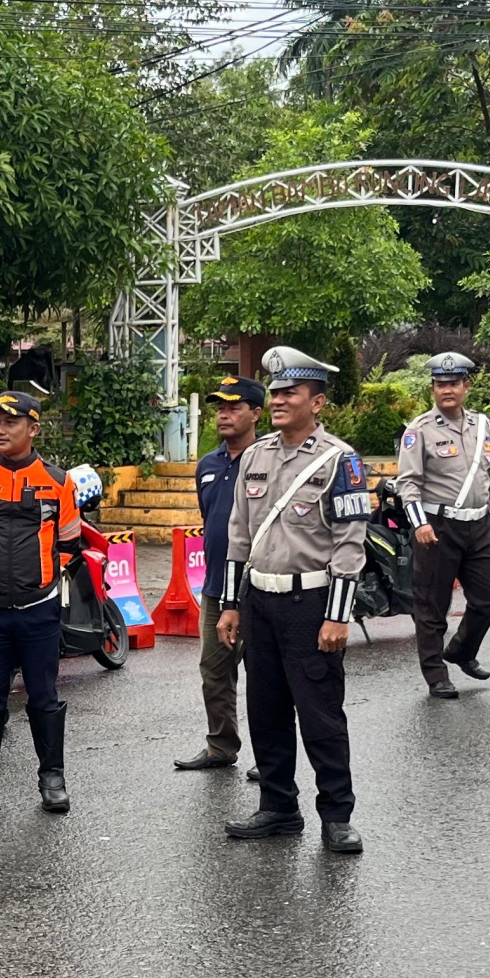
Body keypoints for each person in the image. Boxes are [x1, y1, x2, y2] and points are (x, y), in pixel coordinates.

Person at [215, 351, 373, 854]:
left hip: (312, 603)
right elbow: (238, 535)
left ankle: (337, 815)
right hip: (259, 600)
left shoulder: (339, 460)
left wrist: (338, 615)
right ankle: (279, 806)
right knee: (266, 710)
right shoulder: (256, 457)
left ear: (317, 401)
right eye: (275, 392)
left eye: (290, 393)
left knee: (321, 715)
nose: (279, 400)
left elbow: (351, 542)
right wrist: (230, 604)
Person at [0, 387, 83, 818]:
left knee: (44, 696)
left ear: (33, 428)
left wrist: (40, 581)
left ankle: (52, 778)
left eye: (9, 422)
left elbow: (69, 545)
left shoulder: (59, 482)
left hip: (38, 611)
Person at [394, 351, 490, 700]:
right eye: (440, 384)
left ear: (466, 387)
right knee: (432, 605)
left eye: (454, 384)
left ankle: (461, 650)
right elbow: (408, 482)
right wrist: (419, 524)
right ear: (432, 389)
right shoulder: (419, 431)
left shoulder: (482, 425)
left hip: (479, 525)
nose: (447, 390)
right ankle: (436, 675)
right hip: (438, 526)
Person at [174, 376, 265, 774]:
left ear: (256, 413)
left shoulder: (267, 461)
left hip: (260, 587)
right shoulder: (207, 465)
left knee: (266, 678)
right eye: (219, 408)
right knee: (215, 673)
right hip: (215, 588)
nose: (224, 415)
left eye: (234, 407)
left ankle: (270, 758)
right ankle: (221, 746)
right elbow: (209, 520)